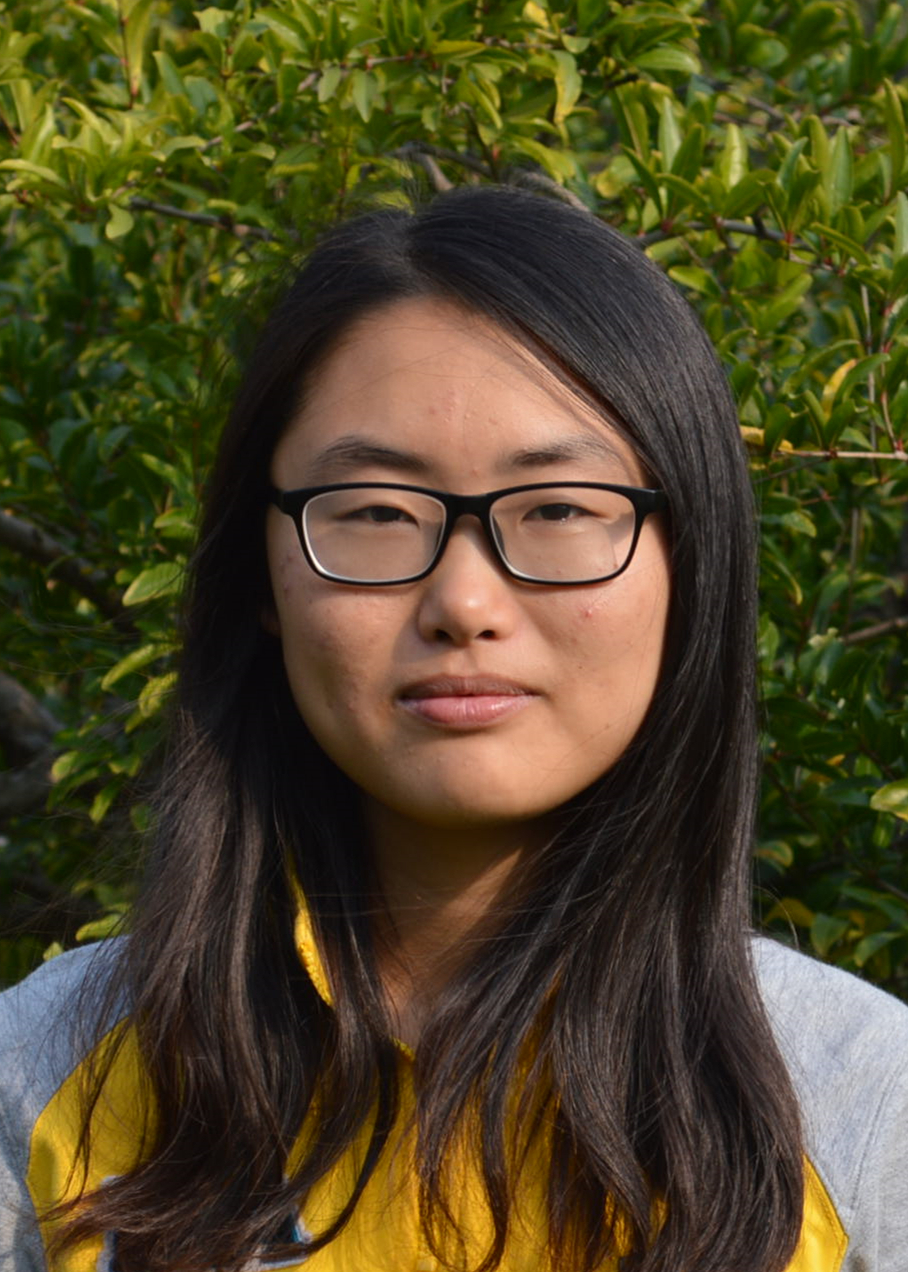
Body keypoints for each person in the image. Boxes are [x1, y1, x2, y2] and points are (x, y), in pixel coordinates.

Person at [1, 184, 907, 1272]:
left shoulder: (861, 1109)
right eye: (378, 513)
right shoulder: (43, 1077)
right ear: (261, 574)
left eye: (559, 508)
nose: (464, 603)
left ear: (691, 563)